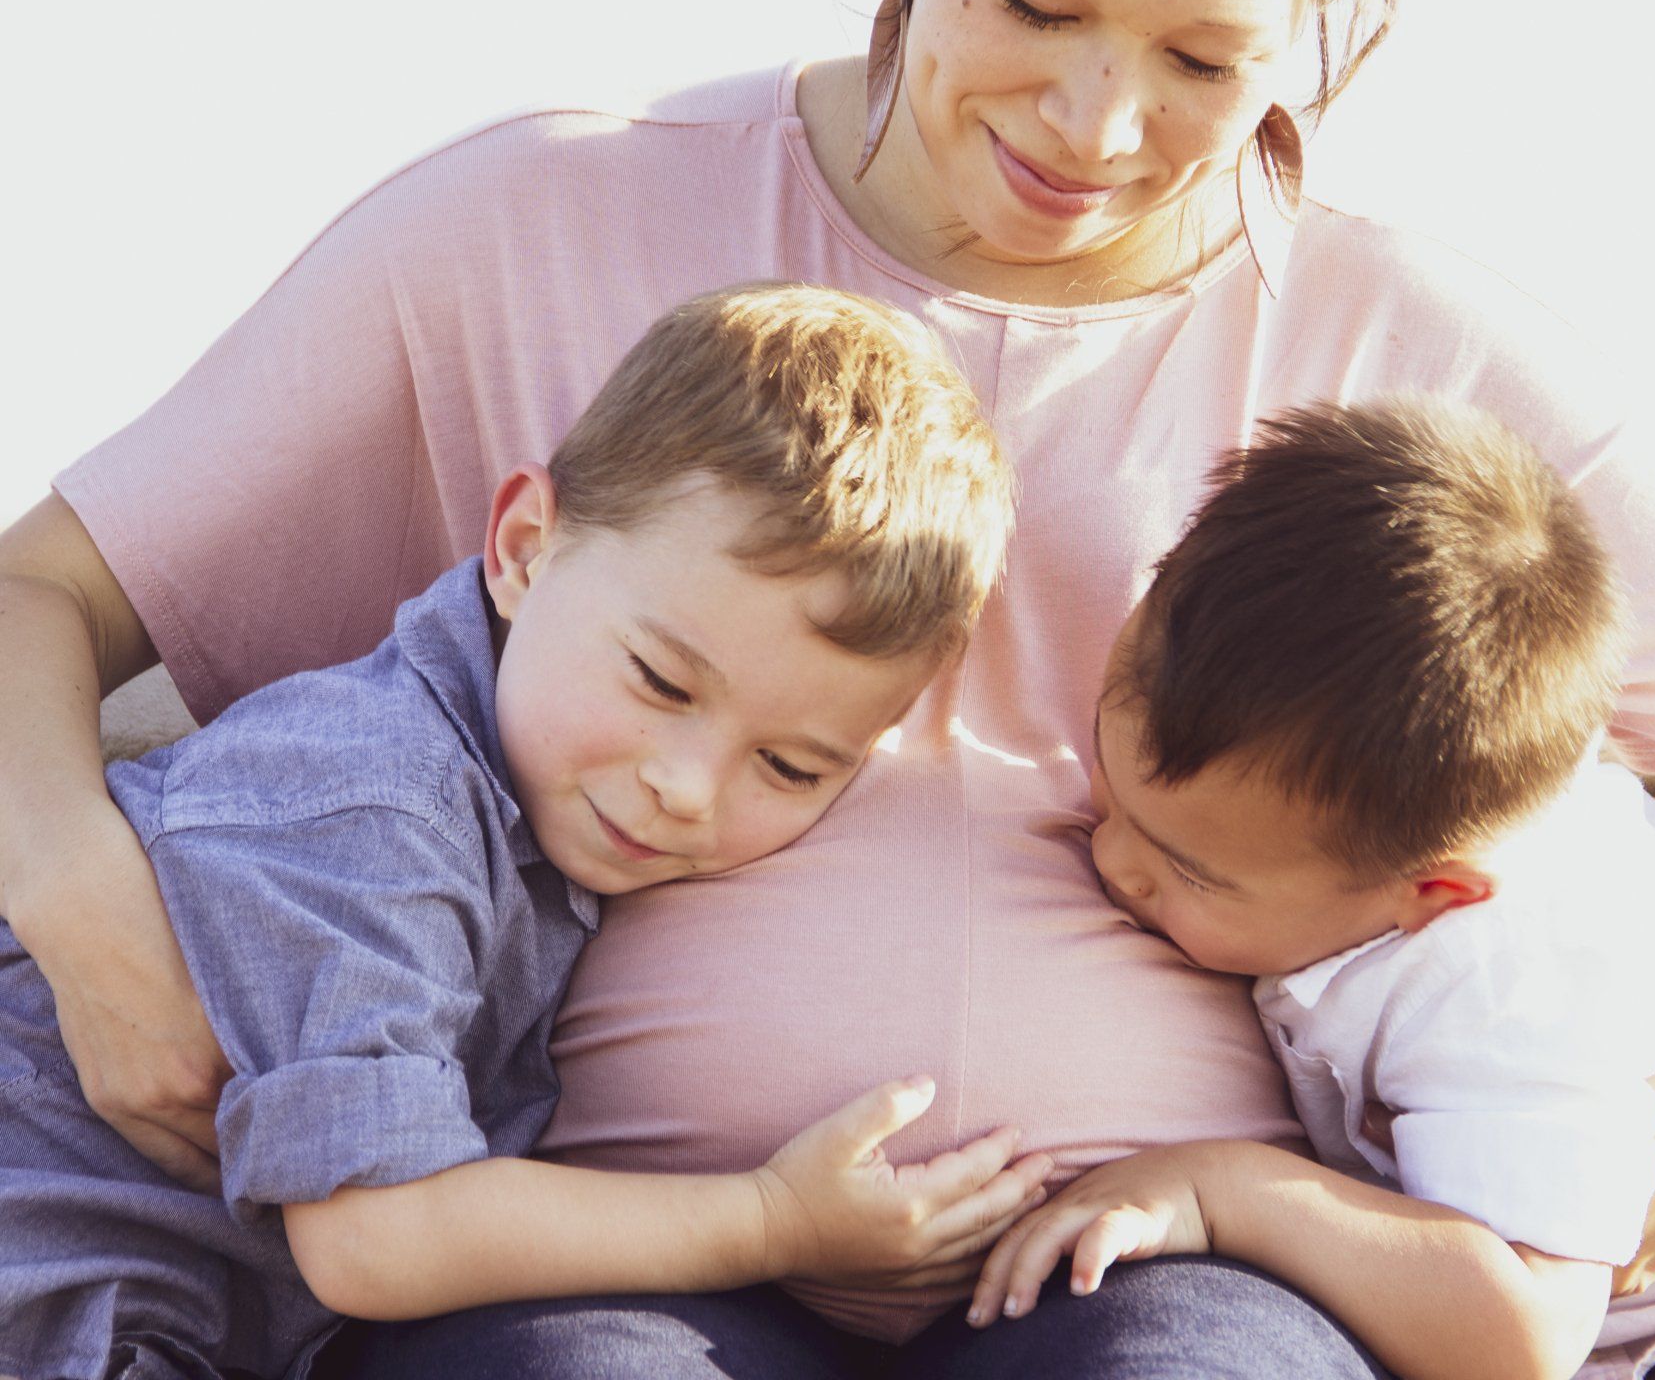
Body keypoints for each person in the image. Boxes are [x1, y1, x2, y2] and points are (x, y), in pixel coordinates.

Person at [1, 0, 1655, 1374]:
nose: (1096, 123)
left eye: (1204, 59)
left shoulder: (1403, 344)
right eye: (1036, 2)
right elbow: (36, 597)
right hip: (589, 1245)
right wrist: (86, 910)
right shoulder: (530, 226)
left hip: (1153, 1264)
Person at [0, 284, 1041, 1380]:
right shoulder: (379, 805)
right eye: (659, 680)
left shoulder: (528, 799)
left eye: (789, 766)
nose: (685, 787)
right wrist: (771, 1220)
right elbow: (373, 1236)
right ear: (524, 546)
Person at [969, 400, 1655, 1380]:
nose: (1116, 862)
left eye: (1189, 871)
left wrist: (1228, 1191)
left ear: (1435, 894)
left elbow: (1525, 1331)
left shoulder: (1504, 978)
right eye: (1114, 793)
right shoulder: (1349, 837)